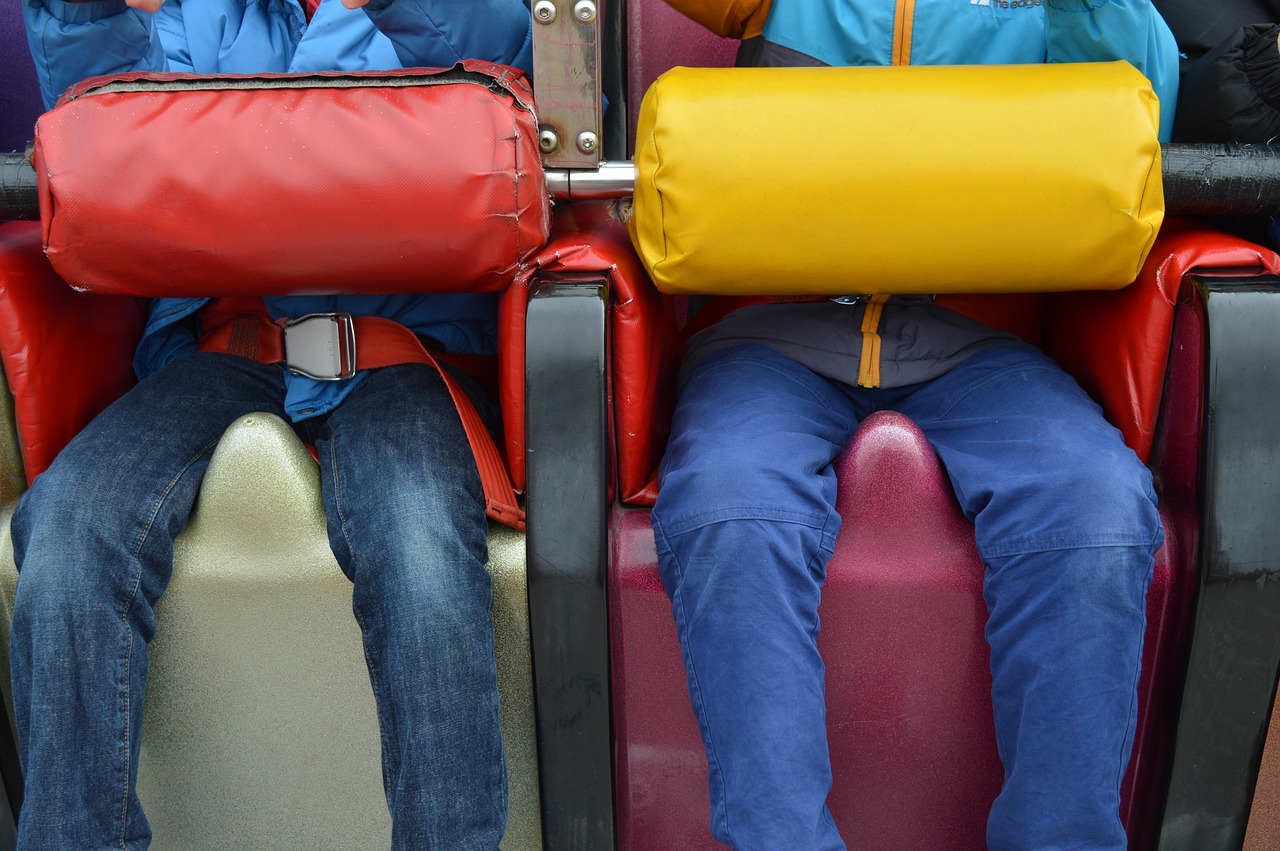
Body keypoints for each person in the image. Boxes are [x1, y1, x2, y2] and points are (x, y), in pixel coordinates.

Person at [651, 1, 1179, 848]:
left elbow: (1143, 103)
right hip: (774, 328)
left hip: (979, 334)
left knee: (1096, 505)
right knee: (727, 503)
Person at [12, 0, 532, 848]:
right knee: (70, 522)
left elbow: (508, 63)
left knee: (417, 542)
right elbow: (104, 117)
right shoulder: (200, 14)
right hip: (227, 352)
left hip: (398, 352)